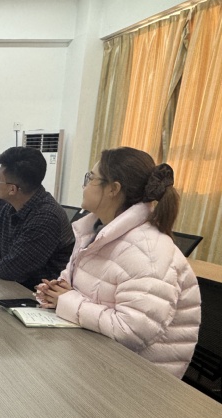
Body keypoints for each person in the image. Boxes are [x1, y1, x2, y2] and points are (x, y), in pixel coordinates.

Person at [35, 147, 200, 377]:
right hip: (94, 357)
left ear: (113, 189)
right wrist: (54, 292)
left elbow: (131, 331)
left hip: (137, 379)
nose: (84, 185)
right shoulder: (96, 232)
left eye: (91, 178)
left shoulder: (147, 251)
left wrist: (66, 300)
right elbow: (73, 286)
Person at [0, 146, 74, 290]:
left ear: (12, 189)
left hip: (32, 295)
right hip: (11, 287)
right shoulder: (9, 207)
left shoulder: (46, 217)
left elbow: (12, 269)